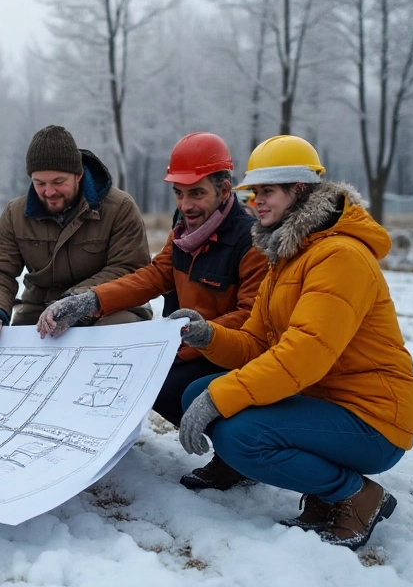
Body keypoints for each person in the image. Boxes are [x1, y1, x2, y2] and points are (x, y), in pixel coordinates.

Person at [175, 135, 413, 550]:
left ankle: (355, 495)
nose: (256, 203)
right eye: (254, 193)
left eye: (268, 192)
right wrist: (208, 335)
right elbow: (256, 342)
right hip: (327, 402)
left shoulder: (340, 256)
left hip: (374, 418)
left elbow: (302, 356)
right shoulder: (289, 253)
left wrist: (222, 397)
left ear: (300, 190)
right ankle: (324, 496)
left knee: (241, 434)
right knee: (196, 389)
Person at [35, 132, 268, 491]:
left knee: (172, 386)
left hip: (232, 351)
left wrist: (178, 343)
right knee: (147, 380)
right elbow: (151, 276)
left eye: (196, 193)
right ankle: (231, 457)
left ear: (224, 192)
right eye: (178, 193)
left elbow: (251, 318)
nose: (186, 204)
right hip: (191, 344)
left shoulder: (250, 240)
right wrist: (89, 300)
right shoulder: (185, 232)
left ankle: (238, 456)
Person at [0, 125, 153, 359]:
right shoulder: (15, 213)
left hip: (108, 309)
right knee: (3, 354)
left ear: (78, 175)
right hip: (40, 313)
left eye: (58, 182)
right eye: (40, 183)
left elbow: (130, 268)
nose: (49, 192)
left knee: (114, 340)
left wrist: (77, 301)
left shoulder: (119, 208)